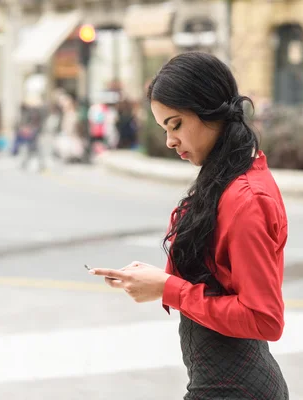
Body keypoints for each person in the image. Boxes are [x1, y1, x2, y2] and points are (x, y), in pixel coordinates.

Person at [89, 52, 289, 400]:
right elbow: (216, 284)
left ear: (210, 111)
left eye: (176, 124)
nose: (170, 141)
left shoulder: (246, 198)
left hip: (235, 391)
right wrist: (153, 281)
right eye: (164, 128)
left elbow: (264, 318)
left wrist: (168, 288)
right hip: (220, 385)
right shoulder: (225, 178)